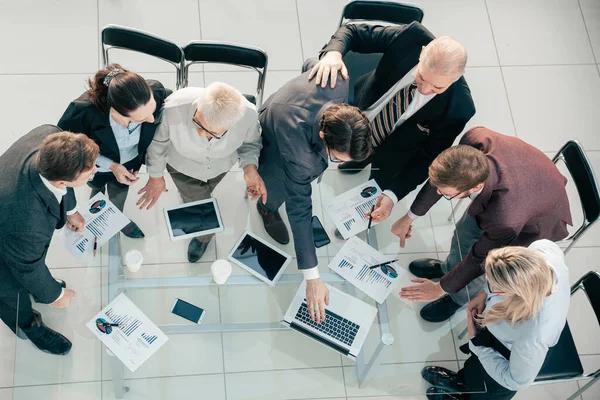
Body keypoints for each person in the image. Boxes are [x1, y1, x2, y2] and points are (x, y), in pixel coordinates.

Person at [396, 127, 572, 323]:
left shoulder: (505, 219)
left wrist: (439, 289)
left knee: (487, 264)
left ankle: (458, 297)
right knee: (463, 232)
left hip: (536, 220)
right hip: (521, 179)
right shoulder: (477, 139)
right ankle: (448, 269)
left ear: (476, 187)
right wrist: (409, 217)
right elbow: (442, 176)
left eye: (446, 194)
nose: (438, 193)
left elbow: (479, 260)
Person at [308, 22, 475, 218]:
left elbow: (426, 158)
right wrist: (333, 54)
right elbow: (353, 31)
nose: (425, 90)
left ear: (457, 77)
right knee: (351, 149)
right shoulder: (412, 37)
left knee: (371, 197)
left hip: (392, 153)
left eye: (437, 88)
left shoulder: (459, 108)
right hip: (363, 111)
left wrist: (393, 195)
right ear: (421, 53)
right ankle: (357, 161)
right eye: (421, 77)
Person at [257, 59, 372, 324]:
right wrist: (312, 277)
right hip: (275, 134)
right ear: (323, 136)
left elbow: (310, 64)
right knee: (273, 191)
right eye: (336, 157)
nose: (340, 164)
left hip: (290, 104)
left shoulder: (338, 77)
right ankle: (266, 208)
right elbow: (299, 209)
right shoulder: (299, 157)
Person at [421, 240, 570, 399]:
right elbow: (551, 247)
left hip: (509, 358)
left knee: (485, 390)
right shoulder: (542, 252)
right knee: (475, 368)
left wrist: (476, 344)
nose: (488, 283)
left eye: (492, 284)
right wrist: (484, 294)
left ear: (514, 291)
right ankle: (462, 382)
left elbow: (515, 381)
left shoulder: (533, 335)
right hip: (500, 333)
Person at [136, 82, 264, 262]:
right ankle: (204, 236)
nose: (201, 135)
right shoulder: (173, 108)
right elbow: (157, 144)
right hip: (182, 167)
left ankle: (195, 202)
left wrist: (250, 168)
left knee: (203, 194)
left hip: (221, 166)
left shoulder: (248, 115)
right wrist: (156, 176)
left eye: (213, 133)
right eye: (198, 123)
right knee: (199, 203)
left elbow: (250, 144)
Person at [0, 125, 99, 355]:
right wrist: (56, 296)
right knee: (12, 298)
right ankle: (30, 328)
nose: (94, 170)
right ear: (61, 182)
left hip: (13, 230)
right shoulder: (27, 223)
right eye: (90, 172)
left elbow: (67, 179)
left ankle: (40, 291)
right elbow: (28, 267)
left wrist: (70, 210)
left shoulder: (49, 136)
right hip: (7, 250)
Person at [58, 64, 169, 239]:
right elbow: (68, 149)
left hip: (131, 162)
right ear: (118, 113)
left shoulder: (155, 91)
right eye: (141, 119)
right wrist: (111, 166)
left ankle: (116, 219)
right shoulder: (82, 112)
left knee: (119, 193)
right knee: (96, 187)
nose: (151, 119)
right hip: (96, 166)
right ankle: (97, 214)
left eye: (152, 109)